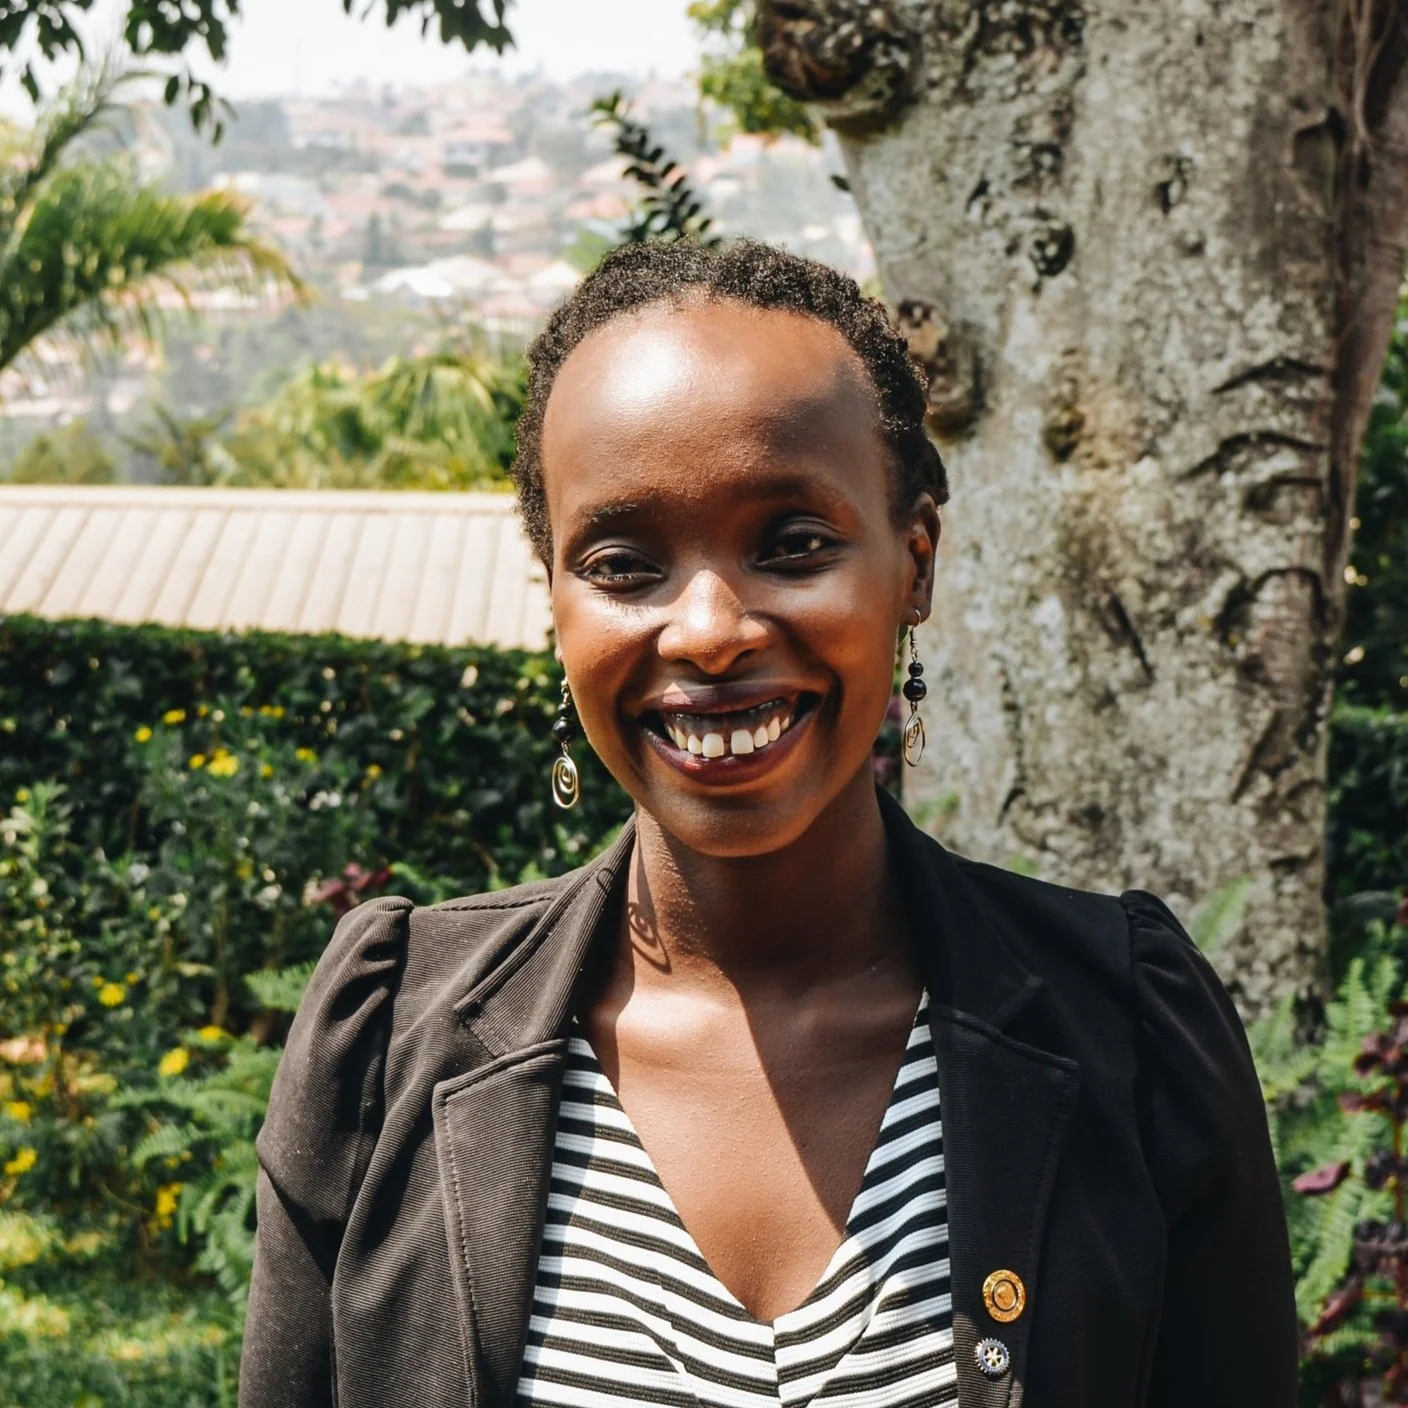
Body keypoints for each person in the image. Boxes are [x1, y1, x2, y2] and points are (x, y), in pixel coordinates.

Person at [240, 239, 1298, 1408]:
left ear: (916, 562)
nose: (707, 629)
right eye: (623, 561)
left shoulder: (1130, 1035)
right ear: (554, 600)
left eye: (791, 543)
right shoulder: (388, 1037)